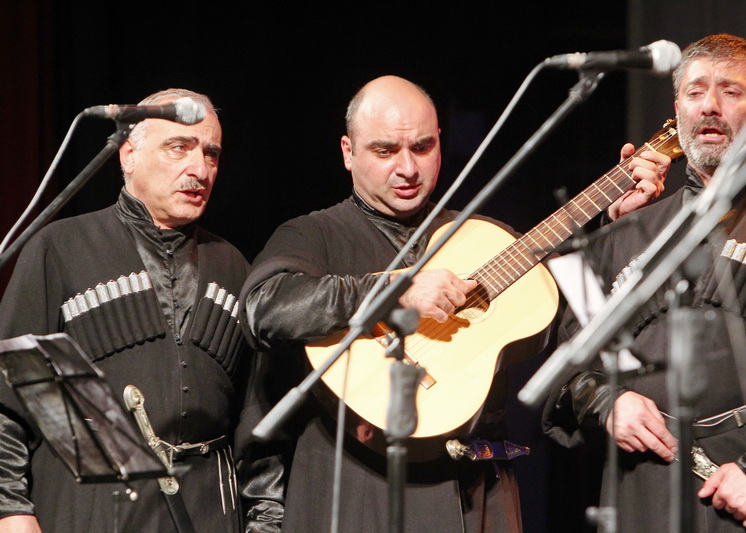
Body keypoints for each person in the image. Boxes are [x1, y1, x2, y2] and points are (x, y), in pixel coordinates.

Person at [240, 74, 668, 532]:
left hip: (478, 490)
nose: (408, 168)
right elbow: (263, 307)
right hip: (357, 487)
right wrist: (394, 292)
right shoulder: (314, 233)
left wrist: (615, 229)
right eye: (385, 151)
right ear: (348, 152)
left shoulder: (482, 236)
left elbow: (582, 323)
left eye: (422, 147)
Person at [0, 88, 283, 532]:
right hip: (90, 511)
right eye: (179, 147)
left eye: (211, 154)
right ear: (128, 154)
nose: (200, 169)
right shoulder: (60, 248)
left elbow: (255, 419)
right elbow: (8, 398)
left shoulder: (234, 266)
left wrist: (265, 521)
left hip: (207, 513)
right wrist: (10, 510)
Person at [543, 34, 746, 532]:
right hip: (642, 493)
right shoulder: (628, 232)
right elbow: (569, 370)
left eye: (731, 91)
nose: (710, 106)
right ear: (677, 111)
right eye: (695, 92)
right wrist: (608, 402)